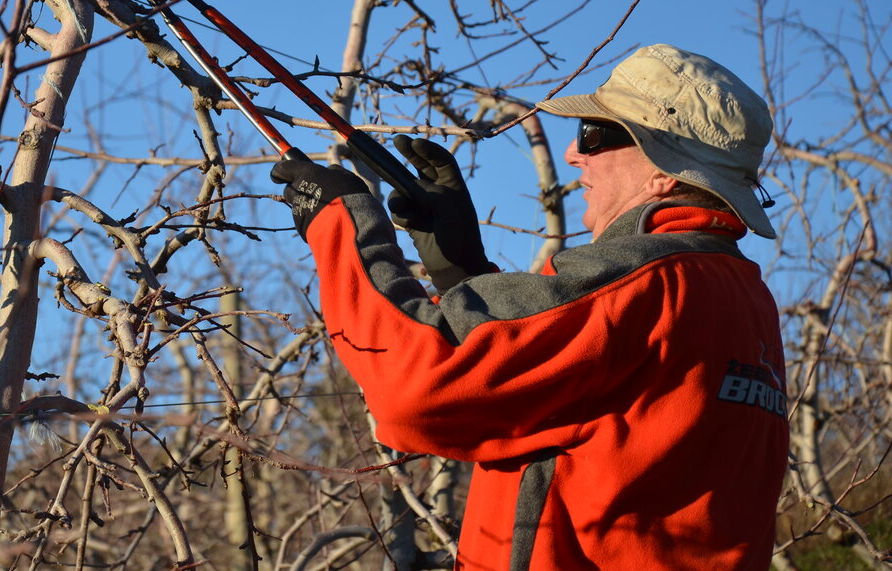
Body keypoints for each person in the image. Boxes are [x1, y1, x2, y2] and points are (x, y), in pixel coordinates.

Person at [271, 44, 788, 570]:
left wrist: (343, 223)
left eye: (596, 133)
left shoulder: (644, 283)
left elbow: (416, 389)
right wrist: (461, 274)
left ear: (663, 172)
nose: (573, 153)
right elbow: (568, 407)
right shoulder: (742, 297)